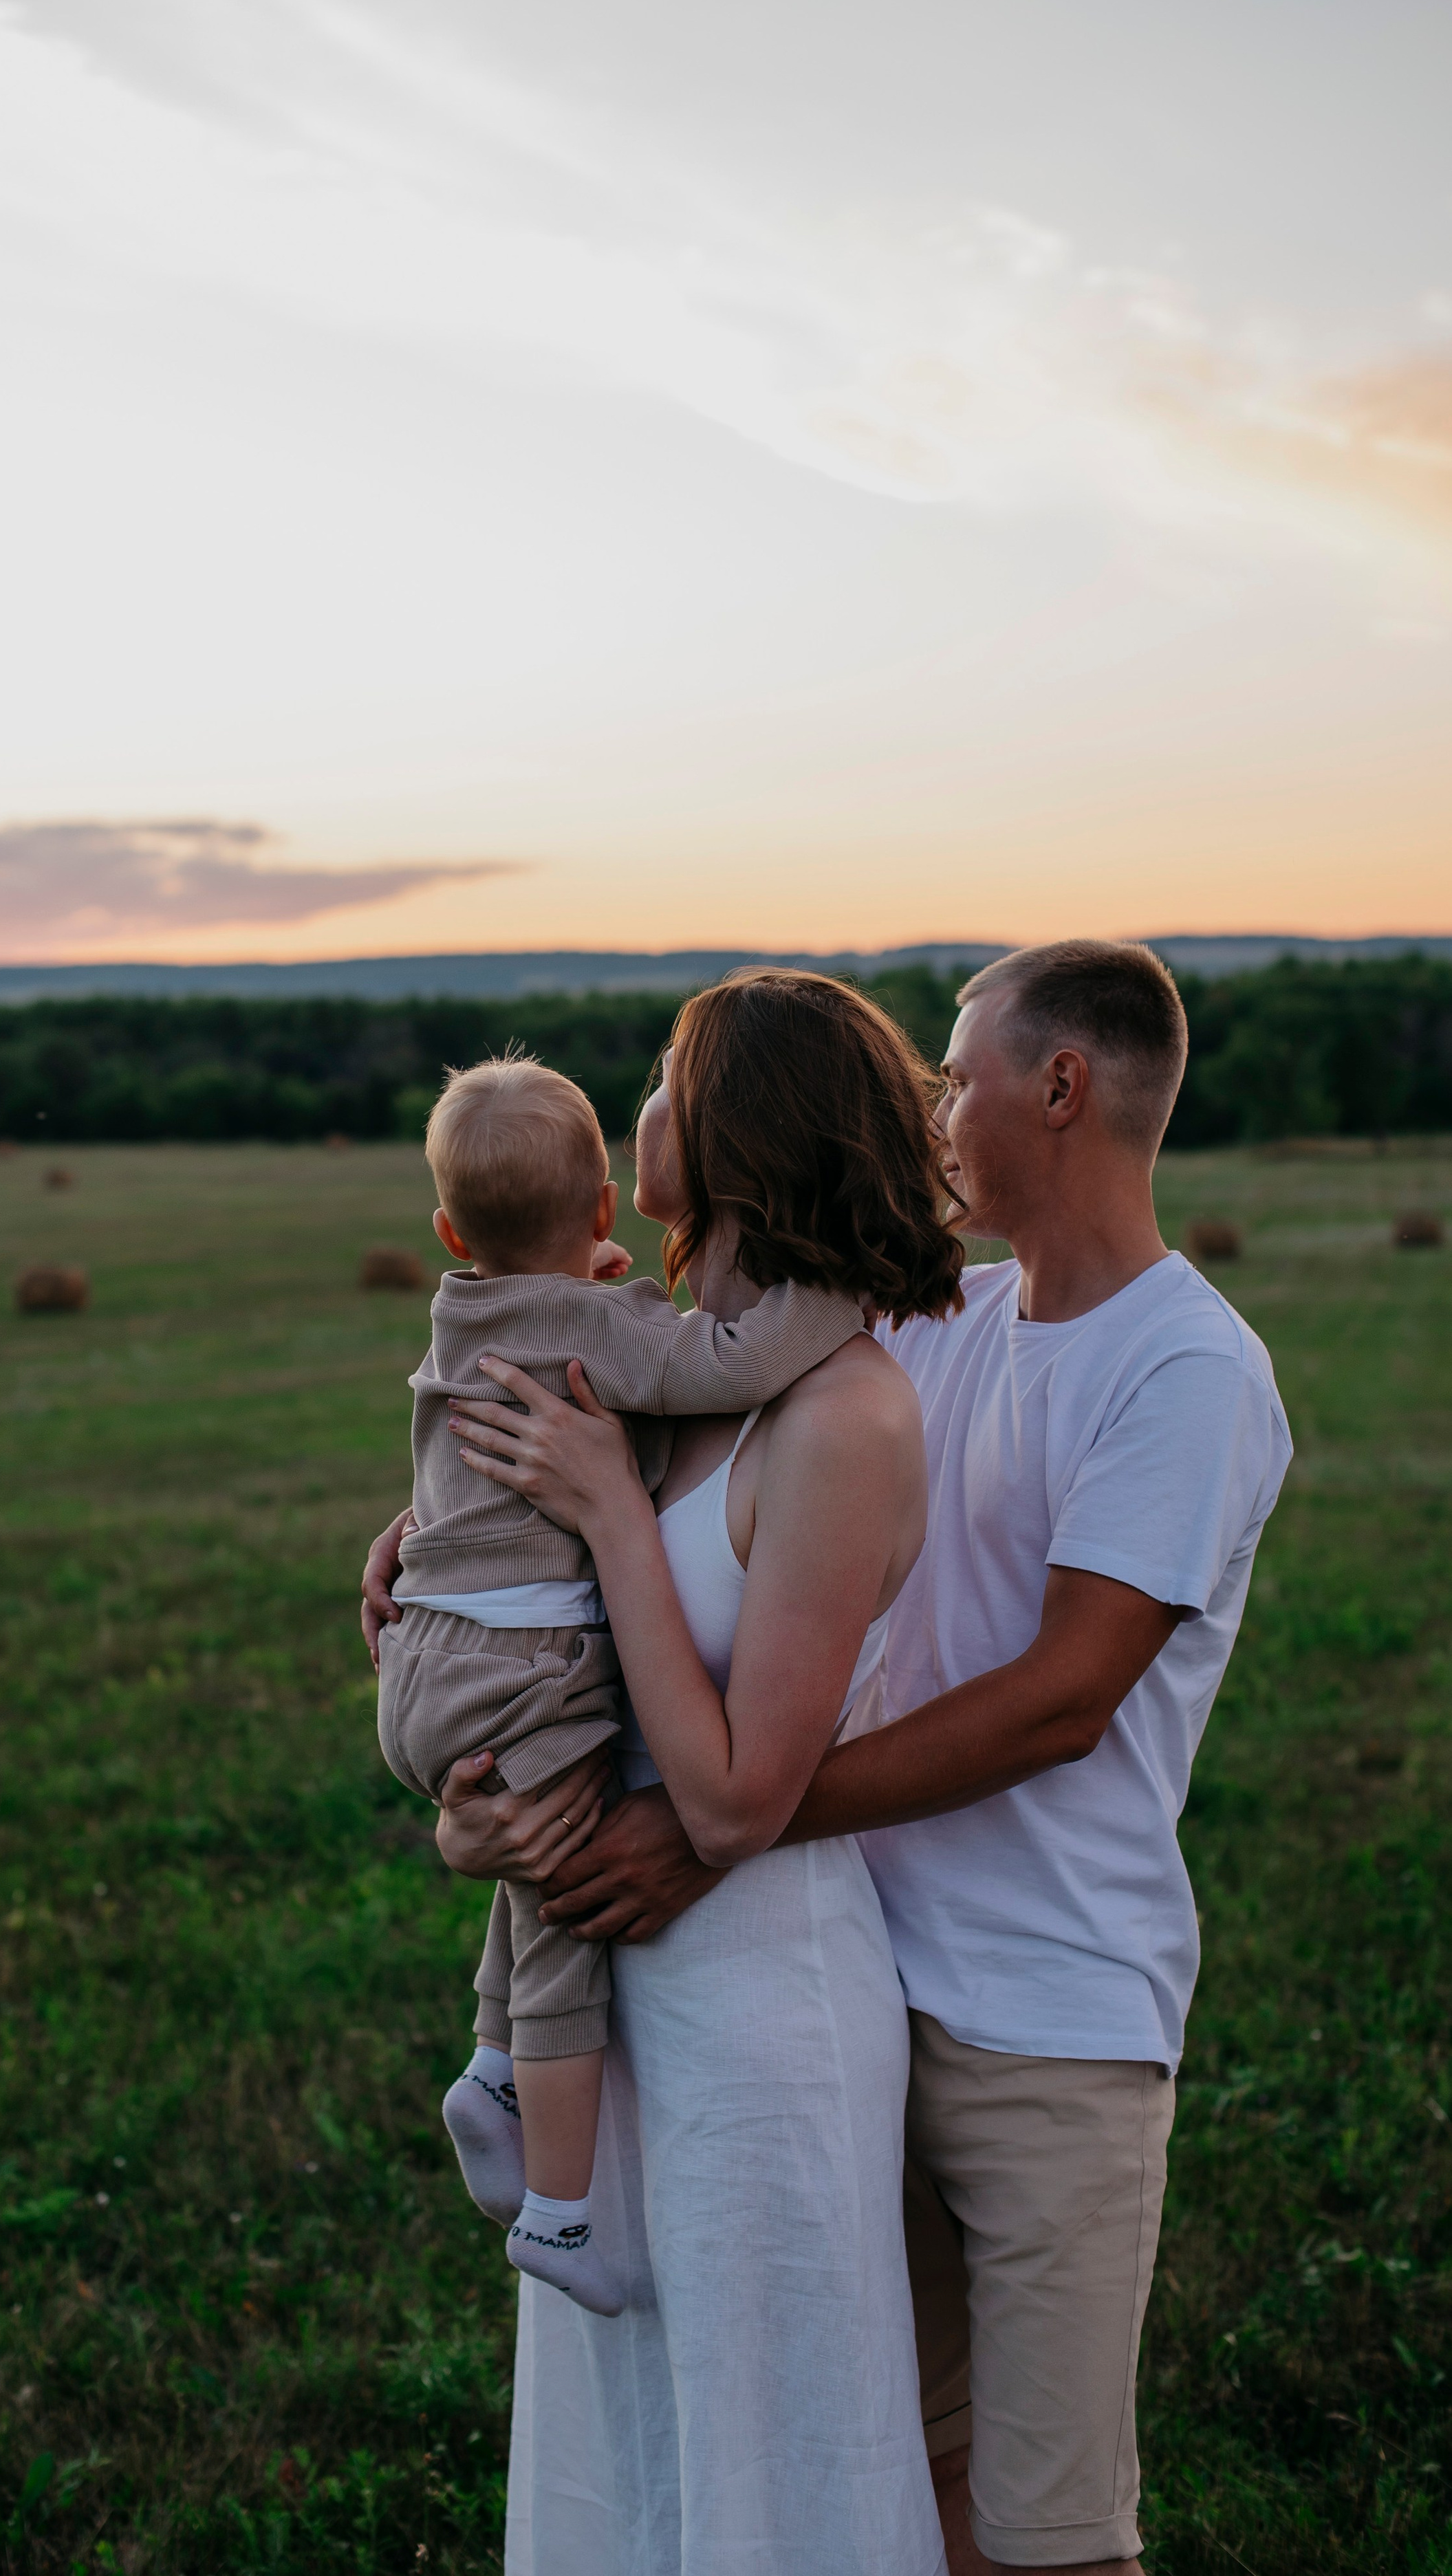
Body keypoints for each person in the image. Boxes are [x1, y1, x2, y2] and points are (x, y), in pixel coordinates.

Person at [374, 939, 1292, 2576]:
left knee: (1041, 2532)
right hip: (853, 1950)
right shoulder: (926, 1329)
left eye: (956, 1073)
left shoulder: (1174, 1367)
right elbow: (640, 1495)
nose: (933, 1108)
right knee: (883, 2479)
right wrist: (438, 1564)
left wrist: (703, 1832)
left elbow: (1052, 1702)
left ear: (1060, 1087)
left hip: (1034, 2000)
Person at [371, 967, 962, 2574]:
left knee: (763, 2461)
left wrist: (610, 1513)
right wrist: (470, 1795)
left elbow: (726, 1800)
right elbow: (554, 1665)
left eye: (666, 1073)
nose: (635, 1105)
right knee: (629, 2464)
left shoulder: (840, 1417)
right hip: (613, 2014)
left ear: (741, 1133)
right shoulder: (650, 1369)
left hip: (760, 2010)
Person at [375, 1051, 869, 2315]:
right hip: (523, 1671)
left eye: (674, 1073)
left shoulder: (463, 1312)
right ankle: (558, 2209)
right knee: (563, 1896)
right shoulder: (619, 1331)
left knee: (547, 1868)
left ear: (447, 1233)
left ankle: (493, 2072)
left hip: (434, 1658)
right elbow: (732, 1363)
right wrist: (845, 1289)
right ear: (603, 1206)